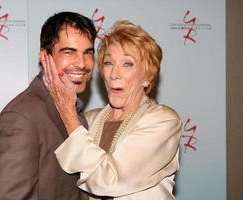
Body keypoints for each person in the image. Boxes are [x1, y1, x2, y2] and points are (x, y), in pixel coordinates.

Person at [43, 20, 182, 200]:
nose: (114, 74)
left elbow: (109, 180)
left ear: (148, 75)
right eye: (108, 63)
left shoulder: (163, 122)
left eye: (127, 64)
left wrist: (68, 114)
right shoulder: (88, 119)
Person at [0, 11, 96, 200]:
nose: (82, 63)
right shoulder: (20, 119)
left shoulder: (71, 108)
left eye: (88, 53)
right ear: (45, 57)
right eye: (69, 52)